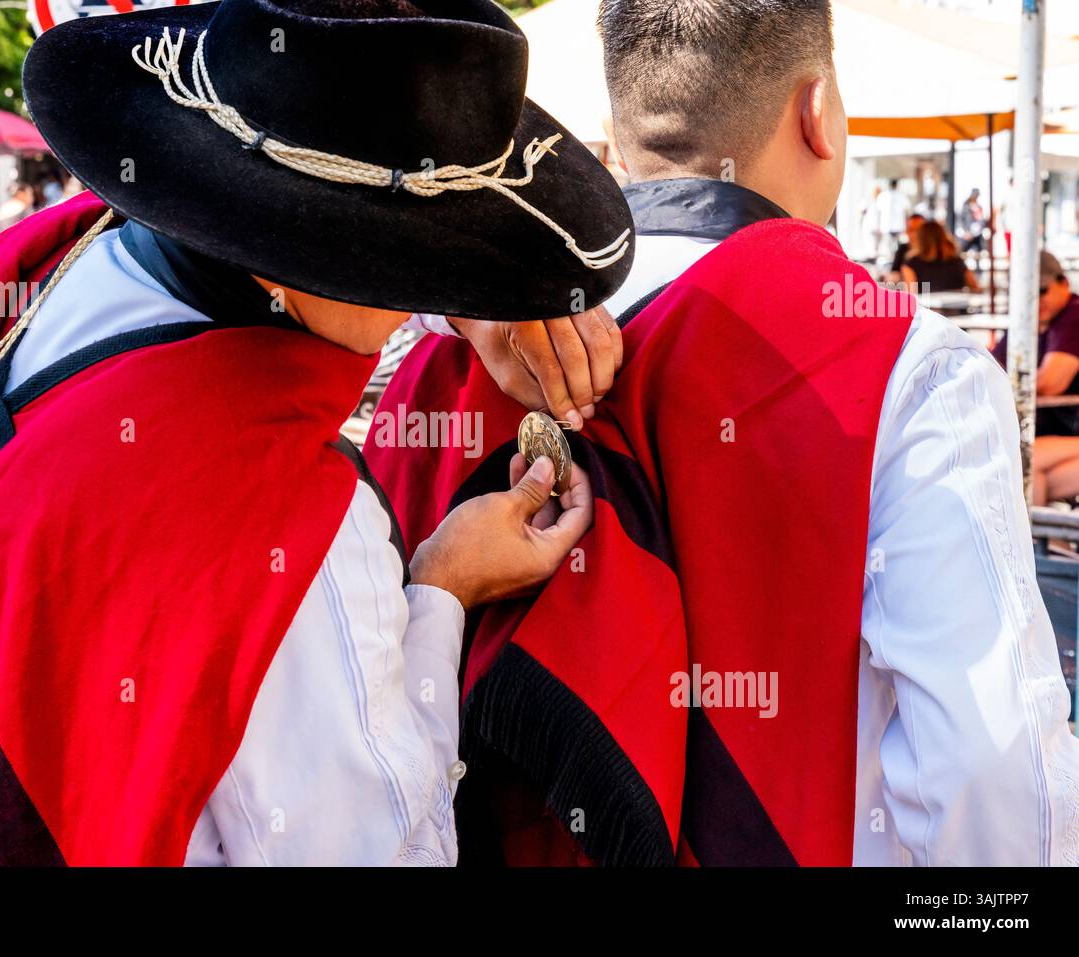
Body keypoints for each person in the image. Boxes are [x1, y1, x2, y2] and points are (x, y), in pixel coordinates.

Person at [0, 0, 636, 865]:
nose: (433, 299)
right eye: (443, 256)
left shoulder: (62, 254)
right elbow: (375, 846)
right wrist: (442, 589)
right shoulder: (295, 530)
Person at [367, 0, 1079, 866]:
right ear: (821, 114)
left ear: (613, 136)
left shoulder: (439, 363)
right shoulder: (912, 368)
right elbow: (988, 776)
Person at [993, 251, 1079, 442]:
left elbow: (1050, 383)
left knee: (1022, 462)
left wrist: (999, 384)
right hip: (1042, 429)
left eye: (1041, 291)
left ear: (1063, 283)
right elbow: (991, 365)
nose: (1035, 300)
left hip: (1064, 430)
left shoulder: (1074, 315)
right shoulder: (1029, 320)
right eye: (1026, 294)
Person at [900, 220, 980, 293]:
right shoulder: (956, 261)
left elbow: (912, 295)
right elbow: (975, 287)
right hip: (956, 307)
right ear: (943, 236)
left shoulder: (911, 264)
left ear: (920, 239)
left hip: (927, 308)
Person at [884, 211, 924, 282]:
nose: (915, 234)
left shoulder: (932, 250)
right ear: (907, 231)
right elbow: (894, 273)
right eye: (911, 230)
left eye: (918, 230)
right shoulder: (902, 249)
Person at [960, 187, 987, 254]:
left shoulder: (979, 207)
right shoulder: (966, 206)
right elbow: (962, 220)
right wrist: (966, 231)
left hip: (977, 234)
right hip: (968, 234)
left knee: (978, 253)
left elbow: (981, 221)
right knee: (963, 252)